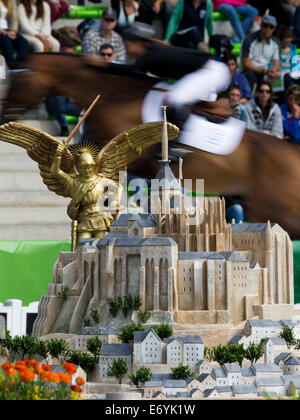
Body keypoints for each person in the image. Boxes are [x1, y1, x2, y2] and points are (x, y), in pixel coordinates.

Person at [50, 144, 122, 244]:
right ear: (79, 167)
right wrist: (58, 155)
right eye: (84, 167)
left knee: (100, 247)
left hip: (99, 219)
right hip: (84, 219)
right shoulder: (73, 182)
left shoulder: (100, 180)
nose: (88, 170)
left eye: (90, 167)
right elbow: (55, 171)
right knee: (82, 245)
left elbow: (117, 186)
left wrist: (115, 201)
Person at [45, 41, 82, 137]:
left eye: (70, 55)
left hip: (74, 106)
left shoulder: (81, 71)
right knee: (57, 94)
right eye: (64, 54)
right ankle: (64, 127)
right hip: (55, 105)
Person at [241, 11, 281, 90]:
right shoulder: (249, 39)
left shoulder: (276, 42)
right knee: (250, 75)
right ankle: (248, 98)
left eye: (271, 27)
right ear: (261, 25)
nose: (268, 29)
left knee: (283, 77)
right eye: (265, 26)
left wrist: (273, 70)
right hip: (252, 71)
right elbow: (246, 64)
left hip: (265, 72)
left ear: (274, 29)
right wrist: (264, 71)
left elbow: (277, 63)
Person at [0, 0, 29, 68]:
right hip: (1, 32)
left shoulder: (10, 1)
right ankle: (13, 69)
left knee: (23, 42)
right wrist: (4, 32)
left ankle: (20, 67)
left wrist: (13, 31)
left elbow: (14, 19)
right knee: (6, 42)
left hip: (8, 30)